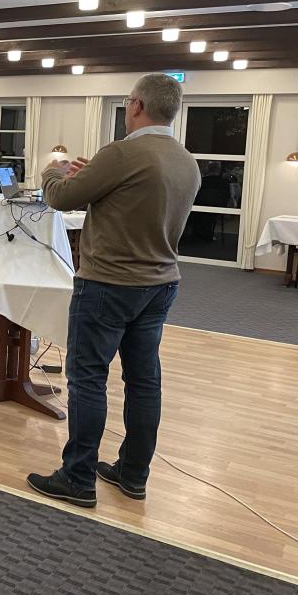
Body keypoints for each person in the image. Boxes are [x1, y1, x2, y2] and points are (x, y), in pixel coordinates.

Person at [27, 73, 201, 509]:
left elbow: (61, 198)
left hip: (109, 283)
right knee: (144, 381)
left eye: (127, 102)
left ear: (137, 105)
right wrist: (96, 178)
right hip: (160, 284)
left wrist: (53, 172)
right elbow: (133, 202)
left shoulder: (121, 153)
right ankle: (133, 474)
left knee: (87, 378)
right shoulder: (186, 160)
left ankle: (77, 477)